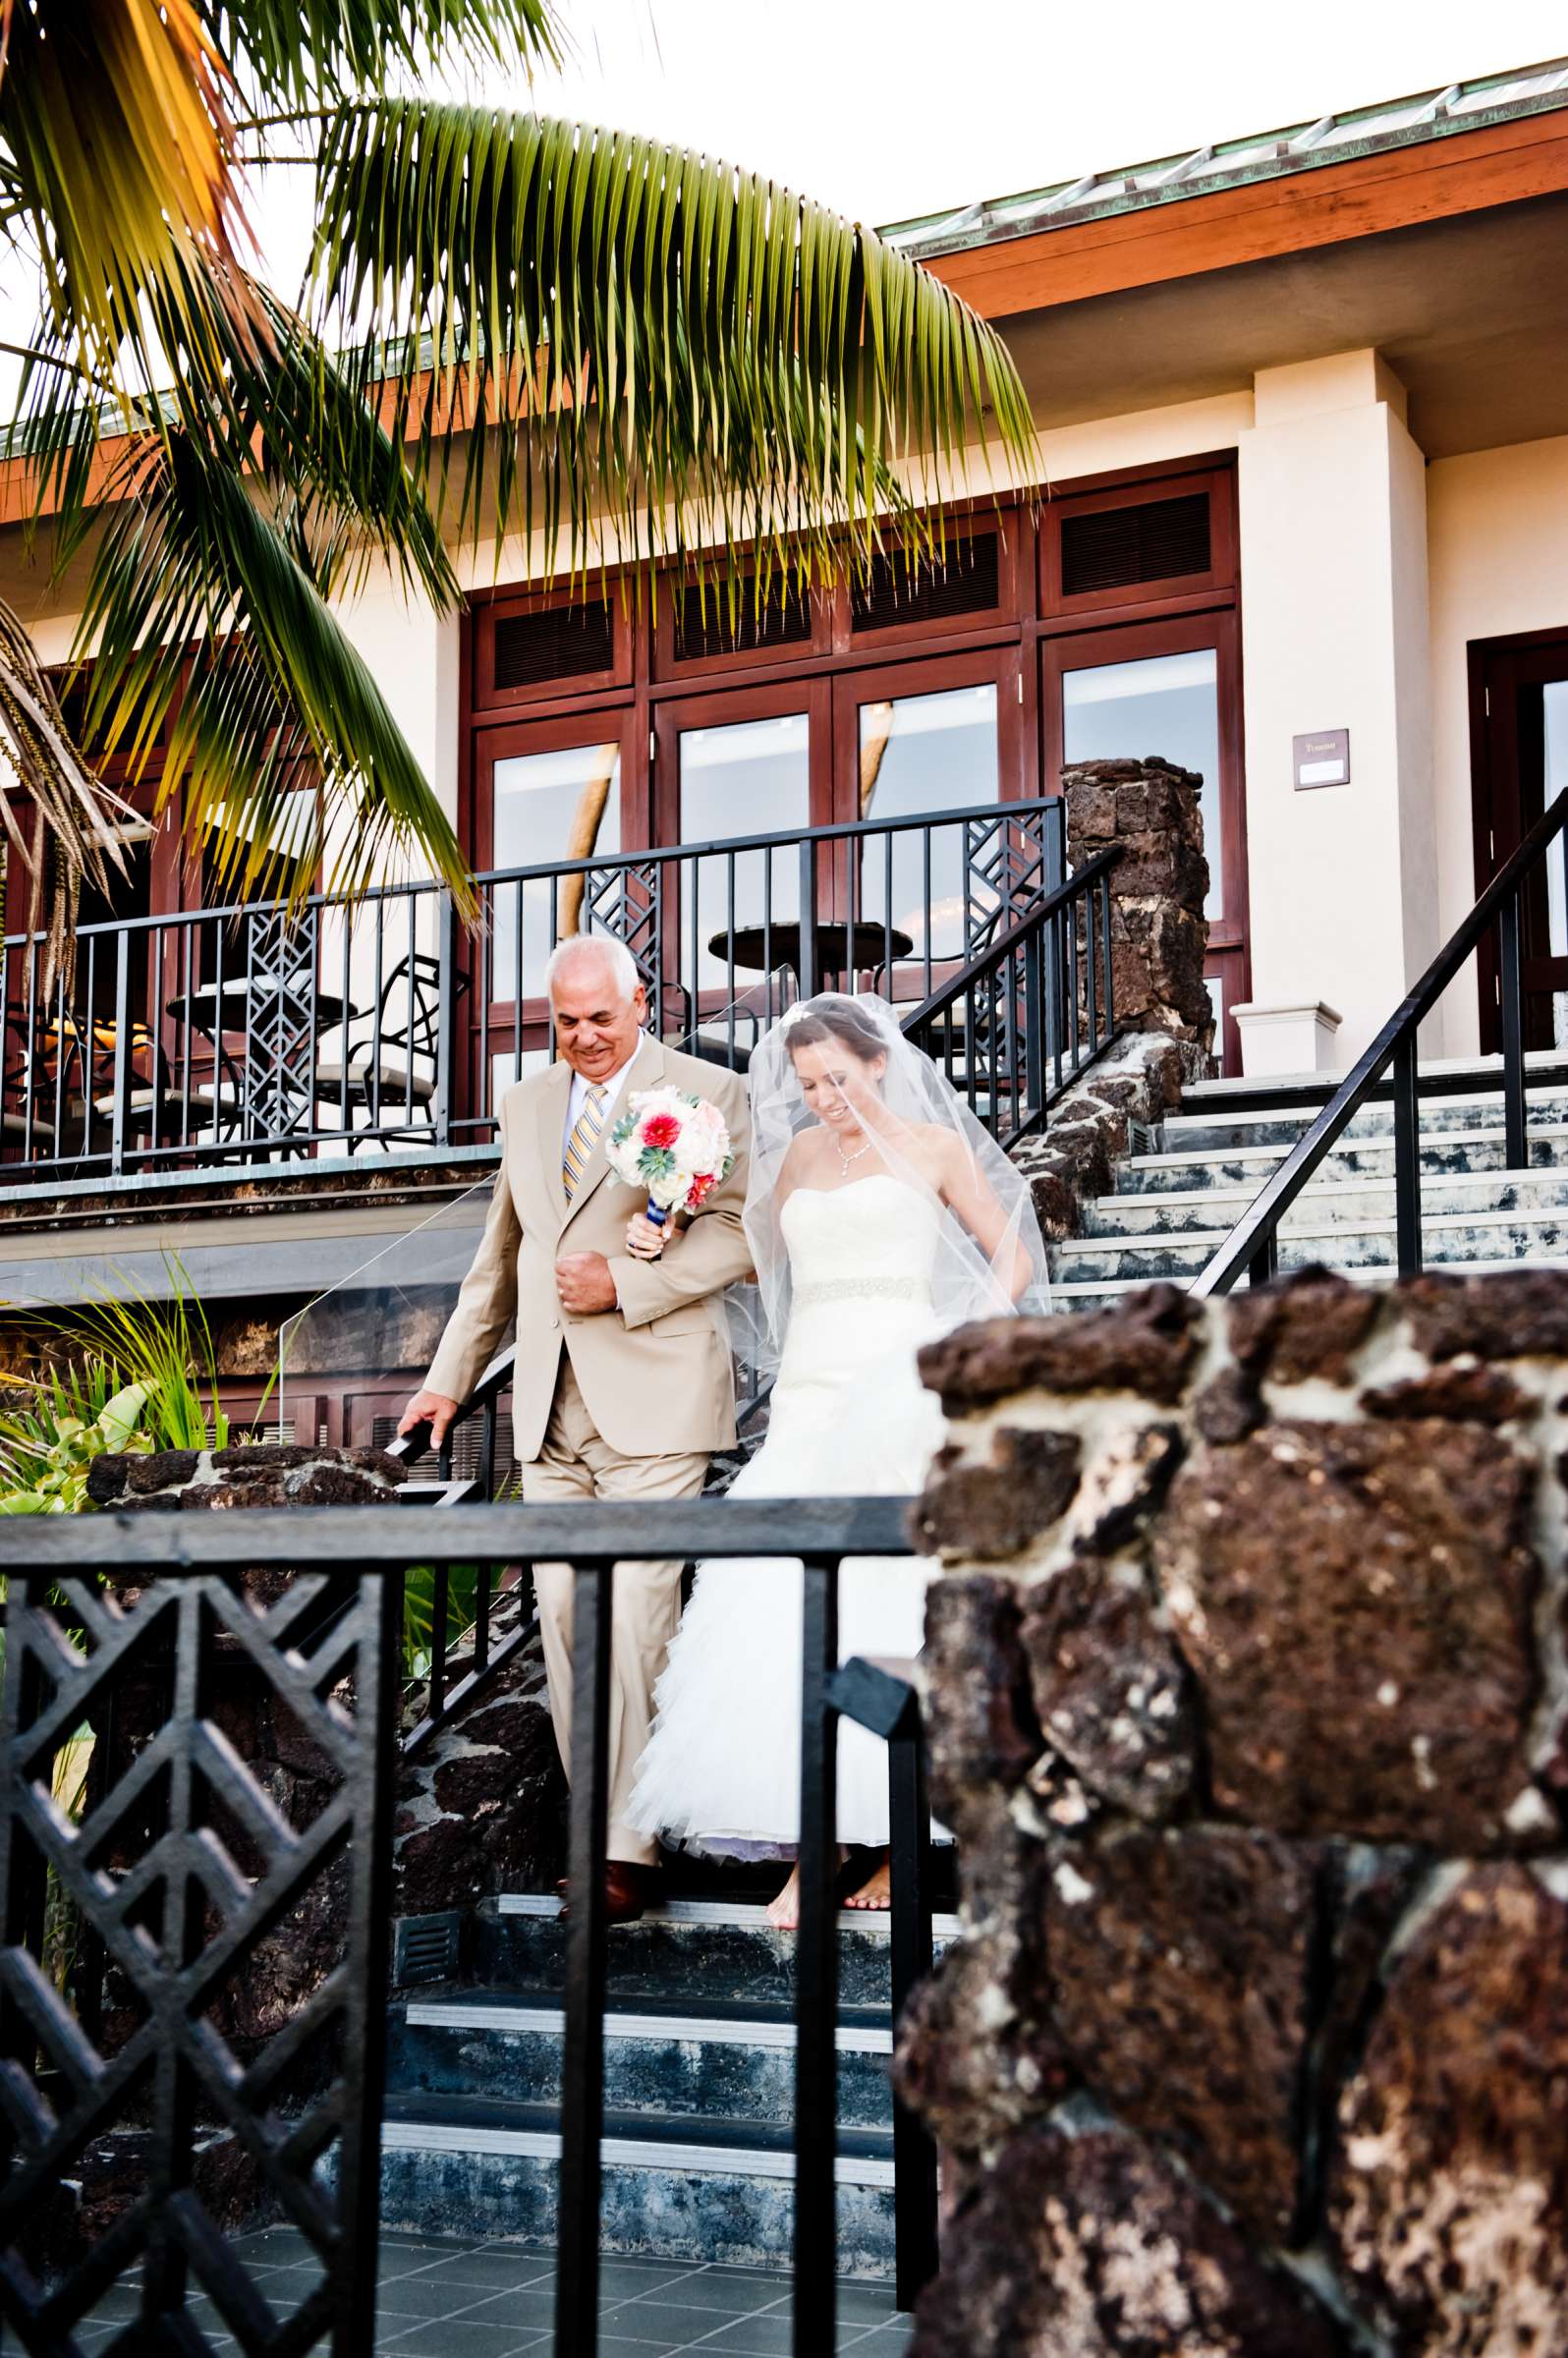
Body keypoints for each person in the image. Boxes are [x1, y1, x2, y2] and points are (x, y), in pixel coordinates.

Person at [625, 991, 1048, 1929]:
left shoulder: (934, 1150)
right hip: (812, 1396)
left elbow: (1009, 1249)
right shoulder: (797, 1161)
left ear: (880, 1065)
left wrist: (956, 1340)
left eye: (839, 1079)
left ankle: (899, 1838)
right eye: (810, 1084)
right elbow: (751, 1261)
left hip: (901, 1389)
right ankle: (816, 1845)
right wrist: (668, 1214)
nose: (824, 1097)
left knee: (891, 1600)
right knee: (782, 1607)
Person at [398, 936, 754, 1928]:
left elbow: (740, 1233)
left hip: (656, 1401)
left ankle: (628, 1854)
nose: (585, 1038)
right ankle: (605, 1828)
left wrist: (627, 1281)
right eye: (565, 1021)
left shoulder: (708, 1092)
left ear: (643, 1003)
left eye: (603, 1017)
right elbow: (500, 1256)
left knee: (640, 1619)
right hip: (548, 1410)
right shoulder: (525, 1104)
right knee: (563, 1627)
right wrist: (446, 1383)